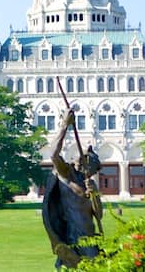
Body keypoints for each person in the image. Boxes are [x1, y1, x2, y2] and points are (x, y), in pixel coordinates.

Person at [42, 109, 102, 268]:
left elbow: (99, 215)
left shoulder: (88, 184)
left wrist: (95, 194)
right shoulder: (67, 174)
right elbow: (53, 155)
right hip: (73, 238)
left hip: (90, 239)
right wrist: (64, 126)